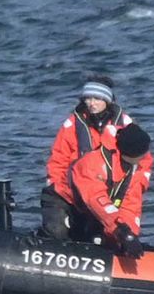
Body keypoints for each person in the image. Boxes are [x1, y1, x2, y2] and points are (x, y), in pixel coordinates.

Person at [42, 79, 129, 245]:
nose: (92, 103)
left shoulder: (124, 125)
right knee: (57, 232)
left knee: (102, 240)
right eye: (88, 99)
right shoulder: (72, 125)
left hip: (102, 196)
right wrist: (58, 186)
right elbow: (58, 159)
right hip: (68, 193)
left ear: (107, 100)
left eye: (97, 99)